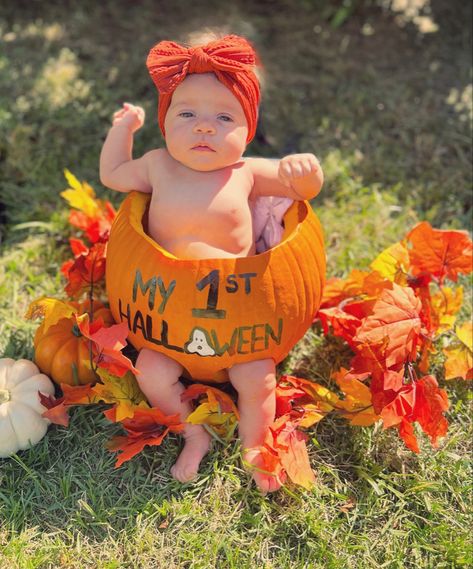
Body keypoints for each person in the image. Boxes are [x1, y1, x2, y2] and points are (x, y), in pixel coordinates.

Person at [99, 33, 323, 492]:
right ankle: (192, 432)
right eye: (187, 115)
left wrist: (307, 173)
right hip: (165, 322)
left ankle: (255, 446)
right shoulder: (158, 165)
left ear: (248, 129)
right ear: (165, 124)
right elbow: (112, 175)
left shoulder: (246, 173)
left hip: (240, 326)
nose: (204, 128)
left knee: (258, 379)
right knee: (154, 373)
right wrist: (122, 130)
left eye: (224, 117)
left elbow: (299, 191)